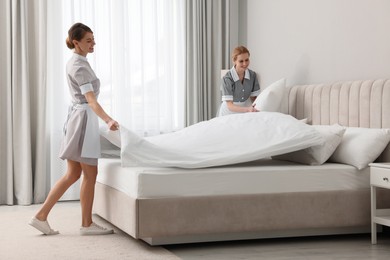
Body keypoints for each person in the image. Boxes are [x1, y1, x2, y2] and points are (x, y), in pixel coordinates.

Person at [29, 23, 119, 236]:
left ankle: (41, 216)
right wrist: (108, 120)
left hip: (78, 119)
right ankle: (86, 224)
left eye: (93, 39)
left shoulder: (76, 62)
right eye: (88, 40)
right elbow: (91, 101)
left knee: (72, 174)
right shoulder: (79, 66)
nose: (93, 43)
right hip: (83, 122)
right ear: (76, 42)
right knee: (89, 173)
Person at [217, 46, 261, 116]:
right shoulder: (227, 78)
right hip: (228, 112)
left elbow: (254, 98)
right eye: (241, 61)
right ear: (234, 61)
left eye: (247, 60)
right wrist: (248, 109)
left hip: (244, 111)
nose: (245, 64)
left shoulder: (252, 75)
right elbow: (229, 105)